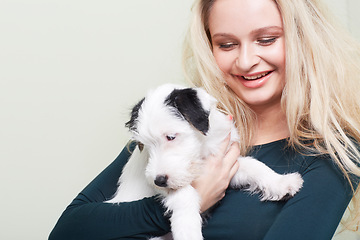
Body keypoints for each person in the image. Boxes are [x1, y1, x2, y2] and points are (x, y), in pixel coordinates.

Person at [49, 0, 360, 239]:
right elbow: (67, 231)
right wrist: (184, 202)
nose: (246, 60)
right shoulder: (170, 127)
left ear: (304, 40)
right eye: (226, 44)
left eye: (267, 39)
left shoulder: (334, 152)